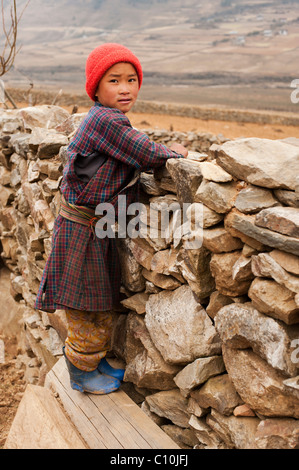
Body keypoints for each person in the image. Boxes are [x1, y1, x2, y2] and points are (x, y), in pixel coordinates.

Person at [34, 43, 188, 395]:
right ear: (96, 88)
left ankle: (94, 361)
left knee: (98, 300)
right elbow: (145, 152)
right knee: (88, 306)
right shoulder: (105, 120)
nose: (125, 88)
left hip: (90, 228)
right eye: (114, 80)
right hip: (83, 230)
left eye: (131, 79)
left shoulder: (109, 119)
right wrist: (173, 152)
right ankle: (81, 372)